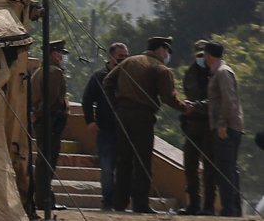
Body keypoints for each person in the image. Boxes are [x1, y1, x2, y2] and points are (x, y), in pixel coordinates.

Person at [103, 36, 191, 214]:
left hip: (122, 115)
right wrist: (185, 108)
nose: (167, 55)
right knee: (142, 162)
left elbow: (107, 82)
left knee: (124, 161)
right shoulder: (160, 69)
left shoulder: (129, 61)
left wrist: (116, 105)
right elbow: (168, 97)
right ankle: (140, 204)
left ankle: (119, 203)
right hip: (142, 117)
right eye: (167, 51)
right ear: (161, 49)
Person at [81, 42, 129, 211]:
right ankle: (107, 201)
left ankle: (120, 202)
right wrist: (90, 121)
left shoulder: (129, 77)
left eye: (125, 57)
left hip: (125, 130)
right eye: (120, 57)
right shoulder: (99, 77)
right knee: (107, 168)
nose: (123, 60)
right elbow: (87, 100)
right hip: (106, 130)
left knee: (123, 168)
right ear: (111, 57)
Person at [204, 40, 244, 217]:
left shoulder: (222, 73)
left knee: (225, 169)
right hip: (229, 125)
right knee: (228, 168)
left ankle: (229, 208)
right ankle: (232, 208)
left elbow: (229, 100)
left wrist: (221, 123)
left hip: (226, 127)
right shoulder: (219, 73)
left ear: (208, 55)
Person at [31, 39, 70, 212]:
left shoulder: (39, 71)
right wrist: (44, 116)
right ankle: (43, 199)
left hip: (43, 121)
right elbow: (51, 100)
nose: (63, 56)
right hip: (50, 122)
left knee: (43, 161)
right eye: (61, 53)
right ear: (54, 54)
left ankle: (43, 197)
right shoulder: (54, 72)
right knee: (47, 162)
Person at [179, 40, 216, 216]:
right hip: (192, 125)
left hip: (210, 125)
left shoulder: (216, 73)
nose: (202, 58)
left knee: (209, 168)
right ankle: (193, 204)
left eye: (204, 54)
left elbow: (216, 101)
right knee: (190, 166)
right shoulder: (191, 73)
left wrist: (196, 106)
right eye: (199, 54)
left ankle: (208, 206)